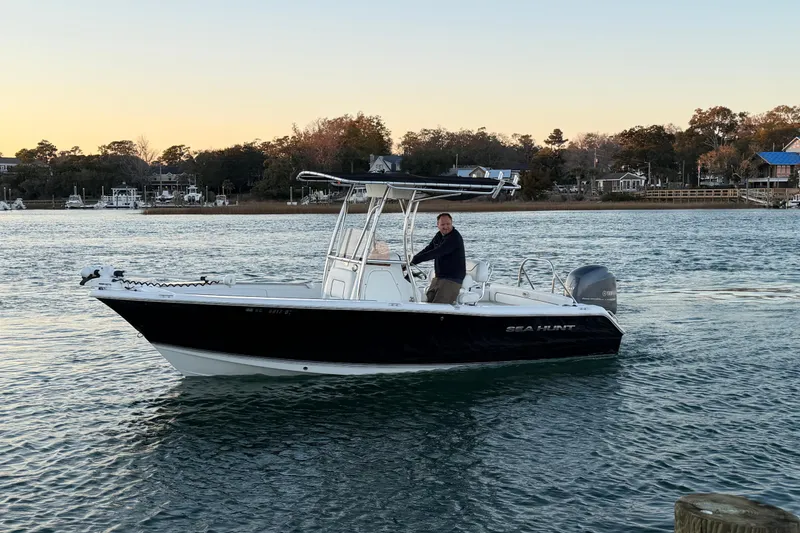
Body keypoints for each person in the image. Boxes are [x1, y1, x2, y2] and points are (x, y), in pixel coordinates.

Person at [410, 213, 466, 304]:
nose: (446, 227)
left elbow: (436, 252)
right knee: (427, 302)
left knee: (438, 306)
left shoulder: (454, 238)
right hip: (439, 278)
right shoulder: (439, 235)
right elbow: (428, 249)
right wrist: (410, 262)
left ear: (452, 223)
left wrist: (415, 261)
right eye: (443, 224)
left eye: (448, 224)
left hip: (452, 279)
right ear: (438, 225)